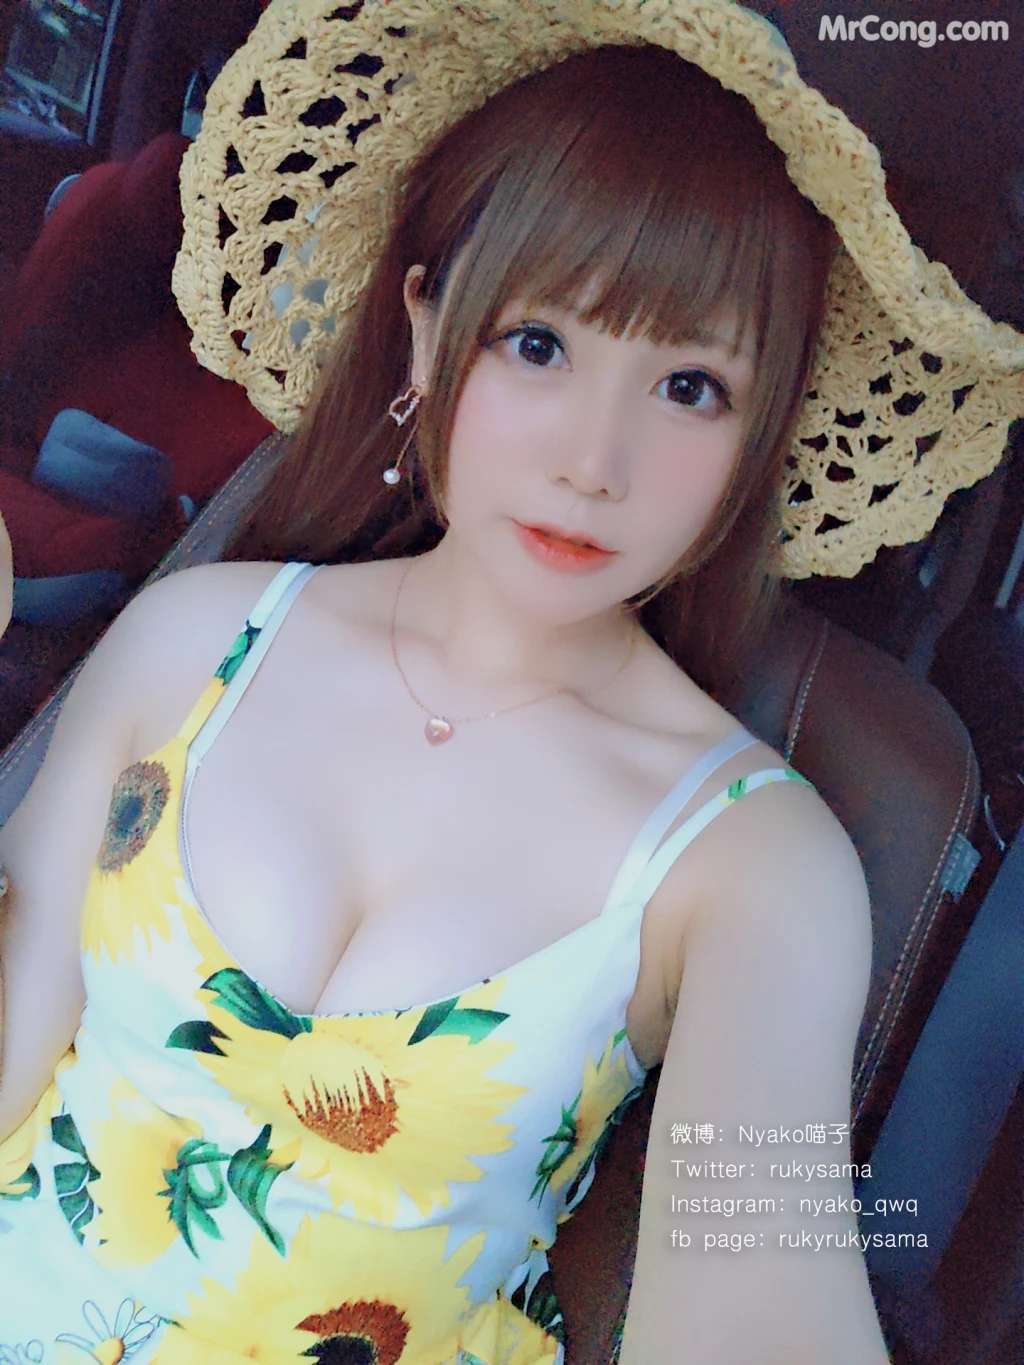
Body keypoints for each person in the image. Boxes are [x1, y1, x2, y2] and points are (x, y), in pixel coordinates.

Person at [0, 2, 1021, 1362]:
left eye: (692, 388)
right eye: (540, 345)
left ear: (760, 431)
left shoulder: (755, 862)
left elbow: (758, 1293)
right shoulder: (195, 639)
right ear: (428, 331)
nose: (594, 461)